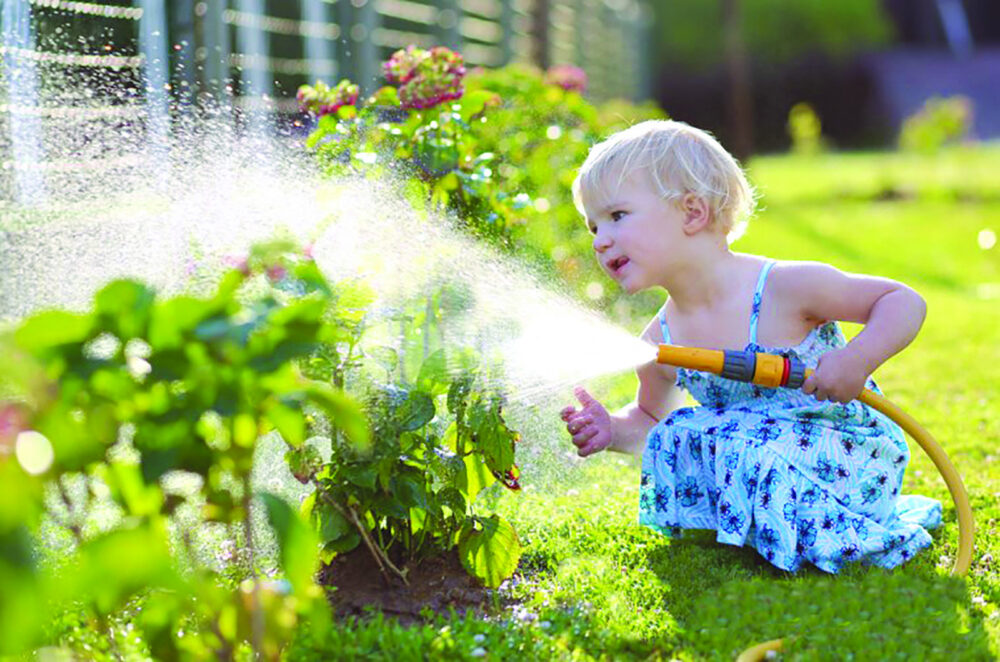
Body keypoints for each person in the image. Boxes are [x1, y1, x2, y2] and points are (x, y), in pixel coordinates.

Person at [559, 120, 941, 573]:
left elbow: (902, 301)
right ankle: (762, 528)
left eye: (617, 216)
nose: (601, 241)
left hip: (847, 456)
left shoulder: (784, 287)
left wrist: (856, 359)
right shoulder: (660, 340)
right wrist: (612, 430)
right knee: (682, 430)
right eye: (593, 226)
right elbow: (652, 419)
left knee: (741, 439)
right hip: (761, 450)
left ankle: (824, 530)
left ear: (692, 213)